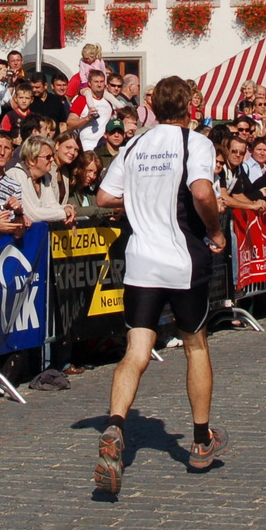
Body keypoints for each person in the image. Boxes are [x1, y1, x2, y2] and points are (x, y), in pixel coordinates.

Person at [90, 76, 224, 495]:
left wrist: (140, 201)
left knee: (136, 350)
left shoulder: (133, 145)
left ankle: (114, 425)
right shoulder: (194, 142)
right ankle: (200, 441)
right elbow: (202, 192)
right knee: (195, 343)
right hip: (182, 261)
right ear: (187, 105)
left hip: (141, 262)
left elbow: (103, 197)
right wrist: (216, 231)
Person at [68, 68, 117, 151]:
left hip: (105, 146)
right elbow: (69, 124)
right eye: (96, 82)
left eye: (101, 81)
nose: (99, 85)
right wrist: (87, 118)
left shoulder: (109, 101)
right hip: (87, 146)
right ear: (89, 84)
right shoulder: (82, 100)